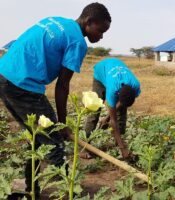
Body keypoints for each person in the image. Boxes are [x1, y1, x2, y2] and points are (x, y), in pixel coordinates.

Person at [0, 3, 111, 199]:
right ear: (89, 22)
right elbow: (62, 86)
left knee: (36, 138)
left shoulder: (57, 20)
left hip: (4, 75)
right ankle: (69, 193)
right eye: (101, 30)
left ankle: (31, 191)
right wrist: (61, 124)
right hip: (23, 86)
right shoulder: (77, 42)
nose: (101, 36)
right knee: (54, 144)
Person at [83, 58, 141, 160]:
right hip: (101, 74)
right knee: (94, 110)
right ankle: (84, 147)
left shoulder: (135, 86)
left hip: (114, 69)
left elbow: (121, 104)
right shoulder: (112, 89)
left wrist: (107, 117)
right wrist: (109, 118)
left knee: (122, 113)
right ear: (117, 94)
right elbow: (113, 122)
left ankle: (117, 143)